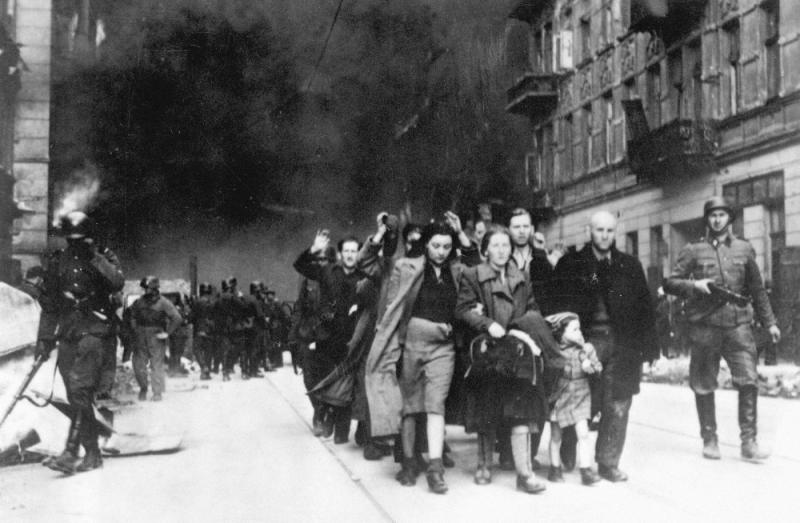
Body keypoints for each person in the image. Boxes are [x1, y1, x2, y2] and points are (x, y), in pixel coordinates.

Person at [664, 196, 780, 461]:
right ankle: (710, 438)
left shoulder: (744, 249)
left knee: (749, 381)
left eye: (722, 215)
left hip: (738, 325)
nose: (717, 219)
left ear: (729, 218)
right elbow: (671, 282)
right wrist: (694, 286)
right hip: (705, 326)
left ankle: (749, 442)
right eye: (712, 215)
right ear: (707, 219)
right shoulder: (693, 250)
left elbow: (757, 290)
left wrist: (770, 322)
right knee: (703, 384)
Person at [367, 213, 476, 494]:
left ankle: (435, 468)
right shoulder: (406, 267)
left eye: (447, 246)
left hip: (444, 347)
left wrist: (461, 233)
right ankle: (407, 464)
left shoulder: (457, 270)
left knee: (435, 405)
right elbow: (392, 307)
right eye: (436, 245)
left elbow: (479, 267)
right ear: (426, 244)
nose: (441, 251)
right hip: (411, 345)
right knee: (410, 407)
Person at [548, 210, 658, 482]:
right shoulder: (570, 263)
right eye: (599, 230)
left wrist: (651, 347)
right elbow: (555, 305)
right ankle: (569, 447)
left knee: (618, 403)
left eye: (610, 231)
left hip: (623, 344)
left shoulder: (629, 265)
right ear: (589, 231)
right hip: (583, 344)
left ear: (615, 232)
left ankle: (608, 463)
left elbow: (645, 307)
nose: (605, 236)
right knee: (579, 399)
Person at [456, 225, 559, 494]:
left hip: (516, 348)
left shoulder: (522, 276)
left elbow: (533, 307)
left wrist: (522, 325)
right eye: (496, 245)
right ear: (485, 249)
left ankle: (524, 473)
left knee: (521, 410)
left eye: (506, 245)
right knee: (486, 410)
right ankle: (483, 465)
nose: (502, 250)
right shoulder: (473, 275)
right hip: (488, 350)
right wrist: (486, 323)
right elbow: (463, 309)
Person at [35, 211, 124, 474]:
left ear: (89, 236)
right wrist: (44, 338)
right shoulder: (57, 262)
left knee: (79, 388)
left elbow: (116, 282)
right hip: (69, 332)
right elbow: (49, 304)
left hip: (95, 330)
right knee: (75, 395)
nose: (75, 243)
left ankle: (75, 451)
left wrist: (94, 256)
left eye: (80, 239)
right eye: (71, 239)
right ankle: (87, 452)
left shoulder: (102, 258)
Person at [294, 231, 366, 444]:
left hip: (353, 337)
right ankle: (325, 417)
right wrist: (314, 249)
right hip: (328, 336)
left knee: (348, 383)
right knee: (328, 382)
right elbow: (300, 266)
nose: (351, 255)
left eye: (354, 251)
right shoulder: (327, 272)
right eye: (347, 251)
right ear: (341, 254)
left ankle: (342, 433)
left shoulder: (364, 276)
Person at [544, 312, 602, 485]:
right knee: (556, 436)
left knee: (583, 433)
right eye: (574, 330)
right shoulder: (555, 351)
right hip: (560, 394)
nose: (579, 333)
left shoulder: (587, 349)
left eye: (579, 329)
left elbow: (598, 368)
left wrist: (591, 367)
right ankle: (554, 468)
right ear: (562, 333)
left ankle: (586, 470)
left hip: (581, 393)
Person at [130, 276, 182, 401]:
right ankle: (143, 388)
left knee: (156, 365)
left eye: (148, 288)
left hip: (156, 335)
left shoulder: (164, 302)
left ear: (155, 288)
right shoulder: (139, 302)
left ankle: (157, 392)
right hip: (141, 336)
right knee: (138, 365)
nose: (146, 291)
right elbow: (132, 316)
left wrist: (167, 333)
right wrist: (135, 329)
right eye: (145, 289)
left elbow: (177, 318)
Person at [190, 282, 217, 380]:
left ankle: (203, 366)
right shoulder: (213, 302)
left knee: (196, 349)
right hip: (210, 328)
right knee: (208, 351)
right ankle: (207, 372)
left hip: (199, 328)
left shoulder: (197, 302)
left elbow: (192, 316)